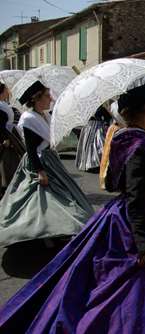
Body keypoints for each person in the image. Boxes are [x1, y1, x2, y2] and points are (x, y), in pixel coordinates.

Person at [0, 76, 145, 333]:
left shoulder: (122, 138)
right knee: (138, 291)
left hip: (122, 215)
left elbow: (111, 183)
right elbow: (136, 198)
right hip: (139, 221)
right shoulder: (140, 146)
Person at [0, 81, 94, 247]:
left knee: (56, 198)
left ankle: (53, 232)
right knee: (43, 200)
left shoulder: (45, 115)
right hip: (40, 162)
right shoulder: (28, 118)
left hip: (51, 160)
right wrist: (40, 171)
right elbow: (30, 149)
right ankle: (44, 233)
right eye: (47, 95)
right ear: (36, 99)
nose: (51, 98)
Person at [0, 82, 24, 199]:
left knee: (10, 163)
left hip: (10, 137)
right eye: (6, 89)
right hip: (5, 139)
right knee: (7, 163)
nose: (8, 91)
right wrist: (4, 139)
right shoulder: (1, 107)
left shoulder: (4, 104)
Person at [75, 104, 112, 172]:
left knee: (96, 145)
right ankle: (92, 163)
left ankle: (94, 163)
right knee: (94, 145)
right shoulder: (90, 107)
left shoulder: (100, 107)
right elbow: (107, 117)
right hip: (91, 127)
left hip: (93, 127)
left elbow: (107, 117)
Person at [99, 101, 125, 189]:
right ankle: (110, 179)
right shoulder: (115, 105)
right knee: (111, 155)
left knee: (112, 154)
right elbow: (121, 120)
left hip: (115, 129)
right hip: (117, 129)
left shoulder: (114, 105)